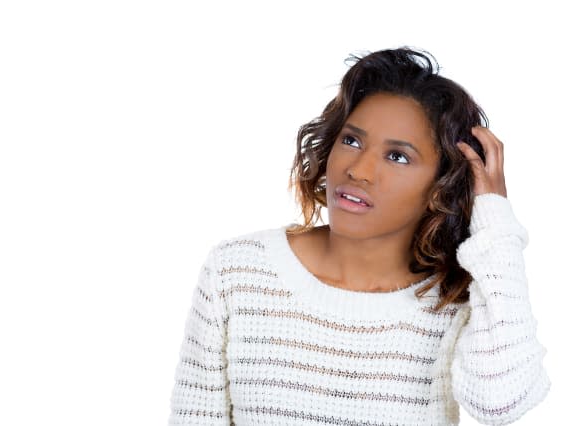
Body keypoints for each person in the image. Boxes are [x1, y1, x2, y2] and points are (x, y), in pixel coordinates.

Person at [167, 47, 551, 425]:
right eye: (351, 141)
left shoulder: (458, 300)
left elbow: (501, 404)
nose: (360, 170)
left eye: (397, 156)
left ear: (441, 187)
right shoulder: (236, 272)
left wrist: (495, 221)